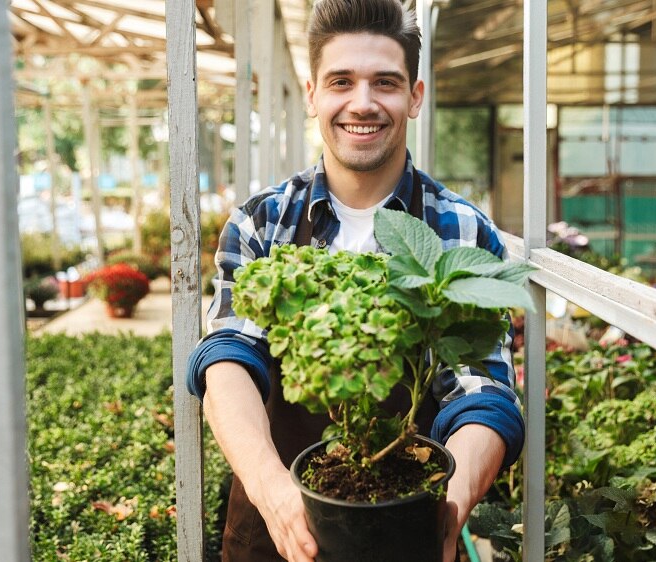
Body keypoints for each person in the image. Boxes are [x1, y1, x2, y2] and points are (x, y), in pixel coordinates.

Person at [186, 1, 524, 560]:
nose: (362, 103)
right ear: (314, 94)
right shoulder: (262, 221)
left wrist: (451, 503)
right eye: (341, 81)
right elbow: (227, 360)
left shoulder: (459, 228)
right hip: (274, 529)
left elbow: (483, 391)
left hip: (408, 529)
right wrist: (275, 496)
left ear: (414, 97)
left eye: (385, 83)